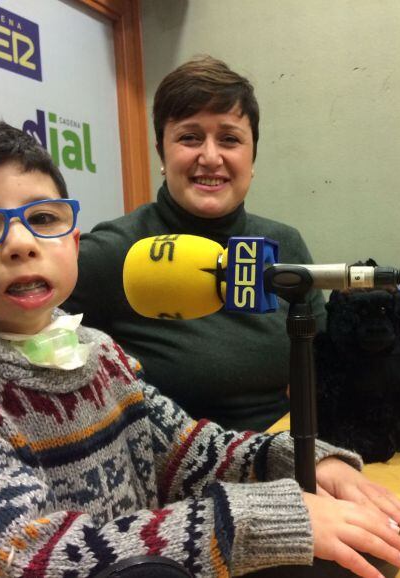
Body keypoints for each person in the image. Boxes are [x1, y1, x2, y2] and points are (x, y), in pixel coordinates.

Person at [0, 121, 400, 578]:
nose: (21, 243)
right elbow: (25, 560)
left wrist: (299, 462)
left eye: (43, 218)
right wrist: (251, 521)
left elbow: (187, 451)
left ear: (72, 239)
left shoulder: (96, 353)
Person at [63, 56, 325, 432]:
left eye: (230, 139)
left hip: (282, 451)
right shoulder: (113, 252)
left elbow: (327, 362)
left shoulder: (285, 244)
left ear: (252, 157)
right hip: (174, 475)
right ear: (162, 154)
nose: (211, 157)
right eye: (189, 137)